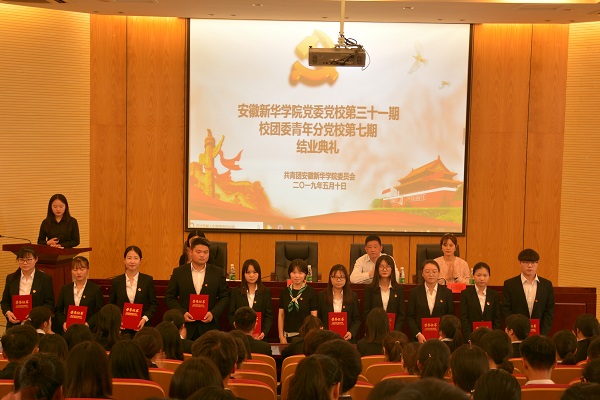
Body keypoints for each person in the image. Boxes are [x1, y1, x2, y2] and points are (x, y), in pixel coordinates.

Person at [165, 237, 230, 340]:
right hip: (186, 327)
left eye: (205, 252)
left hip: (209, 327)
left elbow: (225, 296)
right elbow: (169, 297)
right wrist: (182, 313)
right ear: (191, 252)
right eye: (198, 252)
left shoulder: (217, 272)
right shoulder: (179, 272)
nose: (202, 255)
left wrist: (213, 313)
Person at [502, 248, 555, 336]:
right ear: (520, 263)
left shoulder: (546, 285)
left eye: (533, 262)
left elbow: (549, 311)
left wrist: (543, 334)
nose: (530, 266)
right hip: (516, 333)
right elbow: (506, 309)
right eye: (526, 262)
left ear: (537, 263)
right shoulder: (510, 284)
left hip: (539, 334)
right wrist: (515, 330)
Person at [1, 246, 55, 329]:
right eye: (21, 260)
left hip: (36, 325)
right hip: (15, 325)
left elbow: (49, 303)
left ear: (36, 259)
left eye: (29, 259)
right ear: (18, 260)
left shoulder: (45, 278)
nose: (25, 263)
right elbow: (5, 302)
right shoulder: (11, 278)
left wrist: (36, 316)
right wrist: (8, 313)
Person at [108, 245, 158, 333]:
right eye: (129, 258)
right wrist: (118, 318)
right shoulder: (116, 281)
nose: (132, 261)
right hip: (121, 328)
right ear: (124, 260)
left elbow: (153, 304)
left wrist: (144, 319)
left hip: (142, 327)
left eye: (136, 258)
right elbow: (111, 304)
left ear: (140, 261)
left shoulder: (147, 280)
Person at [407, 260, 454, 343]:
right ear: (422, 273)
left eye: (434, 272)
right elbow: (410, 317)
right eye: (427, 272)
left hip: (441, 339)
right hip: (419, 339)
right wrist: (418, 334)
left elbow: (450, 316)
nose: (431, 274)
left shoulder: (447, 293)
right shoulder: (415, 292)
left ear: (439, 273)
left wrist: (443, 335)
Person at [55, 255, 104, 332]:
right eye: (75, 269)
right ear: (71, 271)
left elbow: (100, 311)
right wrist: (64, 323)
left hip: (88, 331)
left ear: (88, 269)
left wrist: (88, 324)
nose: (78, 272)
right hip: (69, 330)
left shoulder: (95, 289)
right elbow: (58, 311)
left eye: (82, 269)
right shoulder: (66, 289)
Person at [228, 259, 273, 340]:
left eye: (254, 272)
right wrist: (238, 330)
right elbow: (231, 314)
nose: (251, 275)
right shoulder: (236, 291)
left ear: (259, 274)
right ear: (243, 274)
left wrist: (264, 332)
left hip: (259, 337)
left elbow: (269, 315)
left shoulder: (266, 291)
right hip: (240, 337)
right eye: (248, 272)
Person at [278, 258, 318, 344]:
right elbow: (281, 315)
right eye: (294, 272)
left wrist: (311, 337)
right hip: (287, 337)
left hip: (305, 338)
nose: (297, 276)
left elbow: (314, 317)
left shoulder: (310, 292)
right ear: (289, 273)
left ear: (305, 274)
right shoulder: (284, 292)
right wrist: (281, 336)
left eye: (300, 273)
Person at [317, 264, 361, 341]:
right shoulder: (322, 296)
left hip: (346, 338)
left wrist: (351, 332)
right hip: (326, 338)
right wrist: (322, 330)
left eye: (341, 277)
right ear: (330, 278)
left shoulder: (353, 296)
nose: (338, 280)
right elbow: (318, 318)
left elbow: (356, 319)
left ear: (346, 279)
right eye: (335, 277)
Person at [459, 262, 501, 338]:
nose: (482, 278)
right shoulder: (465, 294)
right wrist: (469, 337)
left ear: (489, 276)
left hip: (490, 337)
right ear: (473, 276)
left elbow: (497, 318)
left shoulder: (494, 295)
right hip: (471, 336)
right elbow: (464, 318)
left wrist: (493, 336)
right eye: (478, 275)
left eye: (485, 275)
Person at [363, 255, 405, 332]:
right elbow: (366, 313)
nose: (384, 269)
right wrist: (373, 330)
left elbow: (401, 315)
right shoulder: (369, 289)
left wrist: (395, 332)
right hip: (374, 331)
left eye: (388, 266)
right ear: (377, 269)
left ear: (392, 269)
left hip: (393, 332)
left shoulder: (399, 289)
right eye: (381, 266)